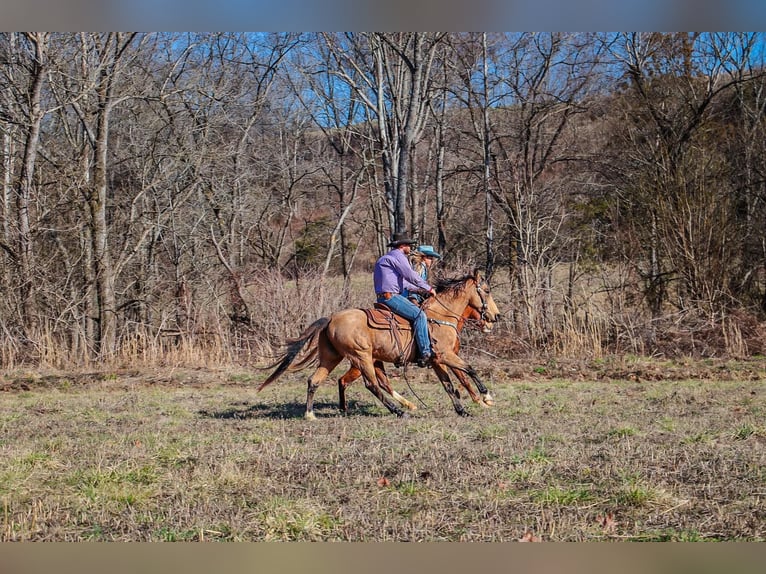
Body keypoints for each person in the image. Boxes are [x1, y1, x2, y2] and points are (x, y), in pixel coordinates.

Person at [373, 232, 436, 367]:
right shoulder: (398, 257)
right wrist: (429, 288)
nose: (410, 247)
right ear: (402, 246)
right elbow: (410, 276)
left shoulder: (386, 258)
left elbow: (404, 284)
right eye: (408, 245)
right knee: (420, 315)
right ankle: (425, 352)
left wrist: (420, 290)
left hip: (384, 297)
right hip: (391, 297)